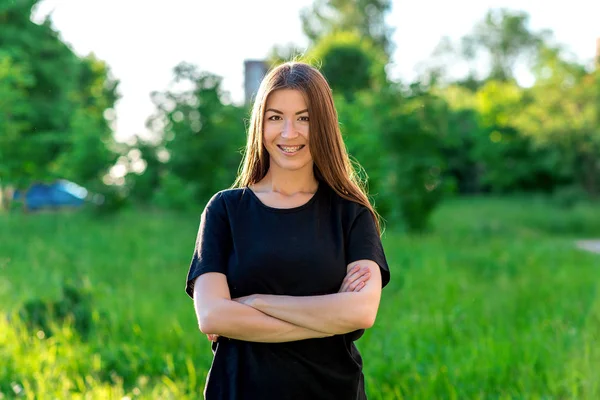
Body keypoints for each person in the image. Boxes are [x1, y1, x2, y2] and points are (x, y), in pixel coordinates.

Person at [185, 61, 391, 400]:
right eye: (275, 117)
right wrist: (326, 317)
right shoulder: (225, 210)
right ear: (260, 125)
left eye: (304, 118)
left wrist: (253, 302)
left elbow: (360, 312)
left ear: (323, 124)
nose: (288, 132)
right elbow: (211, 316)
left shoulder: (351, 213)